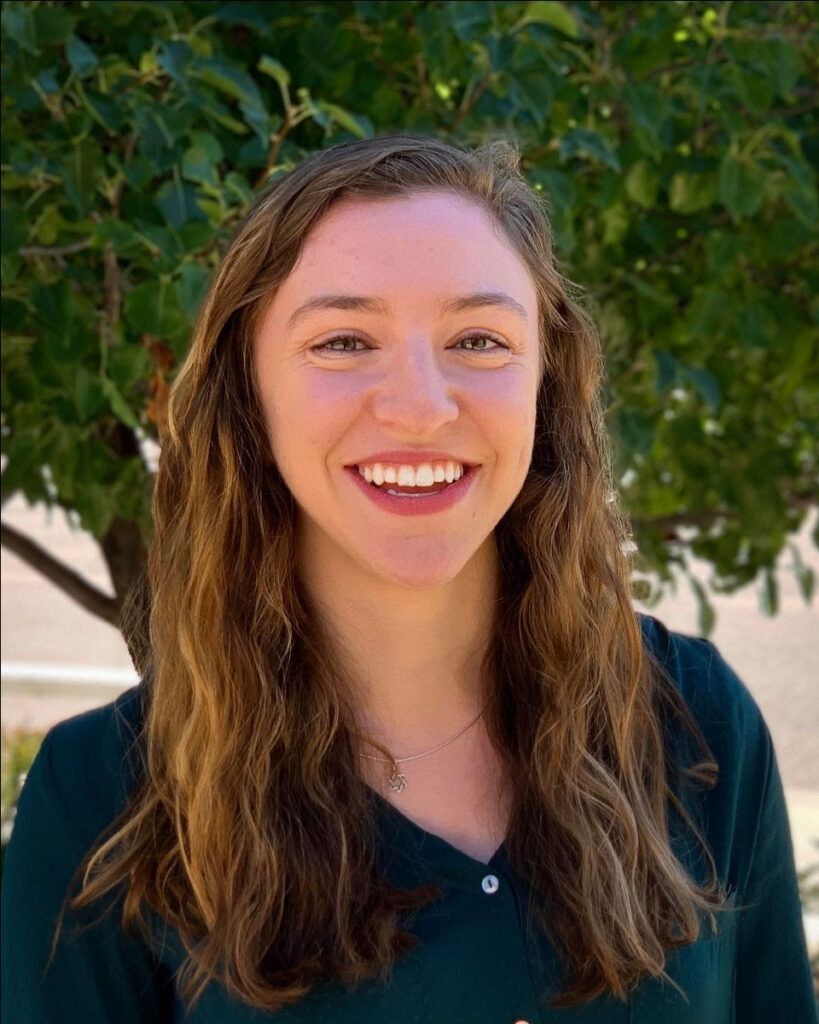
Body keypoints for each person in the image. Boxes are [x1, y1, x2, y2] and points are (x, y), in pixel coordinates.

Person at [1, 135, 815, 1024]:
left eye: (477, 338)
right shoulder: (103, 803)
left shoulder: (695, 728)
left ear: (546, 385)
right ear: (248, 393)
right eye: (344, 340)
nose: (422, 406)